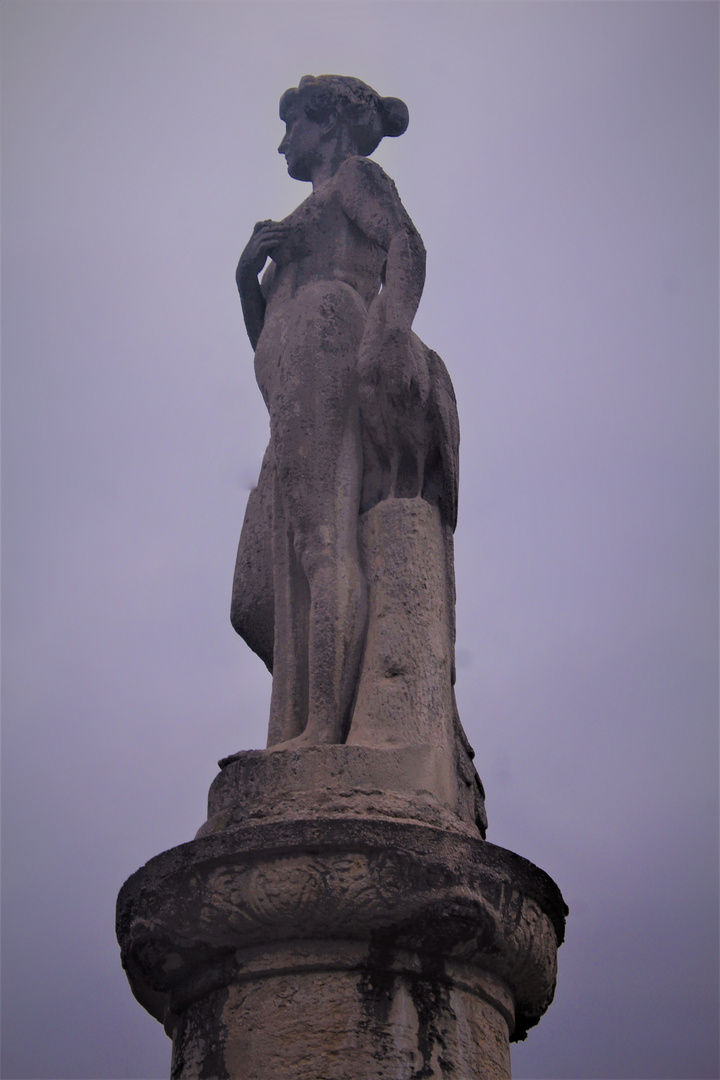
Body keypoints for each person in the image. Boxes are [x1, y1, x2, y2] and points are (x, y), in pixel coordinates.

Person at [232, 75, 457, 749]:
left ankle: (322, 729)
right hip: (292, 386)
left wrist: (388, 334)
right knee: (255, 598)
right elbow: (265, 332)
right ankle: (307, 712)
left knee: (320, 543)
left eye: (292, 124)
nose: (281, 144)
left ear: (326, 122)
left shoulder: (356, 177)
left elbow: (406, 247)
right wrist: (246, 276)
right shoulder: (298, 216)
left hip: (330, 342)